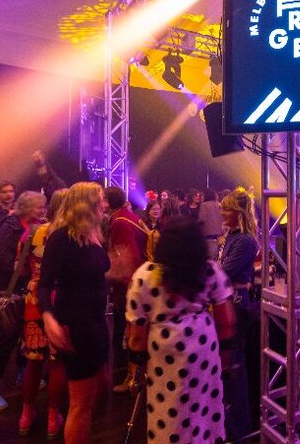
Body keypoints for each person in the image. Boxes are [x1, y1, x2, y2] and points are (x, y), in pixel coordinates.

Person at [126, 217, 237, 444]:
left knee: (168, 410)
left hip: (163, 352)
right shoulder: (210, 271)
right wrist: (224, 361)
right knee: (204, 409)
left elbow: (137, 334)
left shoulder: (144, 276)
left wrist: (137, 366)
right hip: (203, 348)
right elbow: (226, 323)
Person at [38, 182, 111, 444]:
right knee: (81, 403)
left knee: (97, 391)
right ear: (86, 204)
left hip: (96, 321)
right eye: (101, 200)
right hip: (76, 323)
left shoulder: (93, 234)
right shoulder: (61, 239)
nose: (105, 205)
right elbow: (44, 285)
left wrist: (118, 272)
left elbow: (92, 273)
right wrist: (48, 317)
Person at [0, 191, 47, 412]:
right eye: (39, 207)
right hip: (9, 290)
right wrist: (27, 265)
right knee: (6, 338)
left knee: (24, 335)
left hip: (22, 288)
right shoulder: (10, 227)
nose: (42, 210)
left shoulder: (32, 226)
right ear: (27, 208)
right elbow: (3, 261)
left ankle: (22, 373)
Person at [18, 188, 69, 438]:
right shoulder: (69, 234)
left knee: (33, 358)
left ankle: (25, 416)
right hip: (58, 297)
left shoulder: (33, 232)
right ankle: (52, 417)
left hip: (33, 297)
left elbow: (21, 264)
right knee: (56, 359)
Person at [218, 188, 260, 441]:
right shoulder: (232, 235)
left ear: (238, 212)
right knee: (228, 364)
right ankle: (228, 420)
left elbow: (223, 271)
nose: (221, 212)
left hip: (237, 303)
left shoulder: (245, 240)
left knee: (235, 365)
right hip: (228, 302)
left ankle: (238, 427)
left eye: (226, 208)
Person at [104, 186, 148, 394]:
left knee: (133, 333)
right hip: (138, 281)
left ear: (107, 202)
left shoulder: (119, 222)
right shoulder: (127, 215)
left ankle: (133, 380)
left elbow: (128, 257)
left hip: (131, 285)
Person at [199, 188, 223, 259]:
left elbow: (202, 219)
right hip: (219, 235)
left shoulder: (204, 205)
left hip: (208, 234)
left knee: (209, 257)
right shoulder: (218, 204)